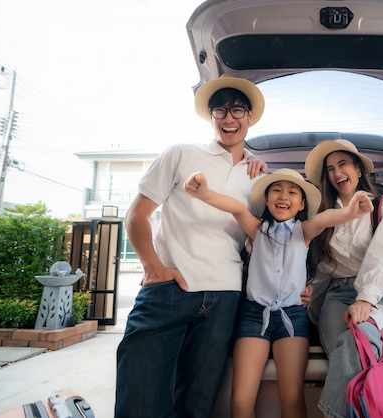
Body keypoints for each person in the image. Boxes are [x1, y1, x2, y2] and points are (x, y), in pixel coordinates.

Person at [115, 74, 269, 418]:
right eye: (220, 111)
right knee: (138, 404)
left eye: (238, 110)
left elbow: (267, 242)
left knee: (196, 408)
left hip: (225, 298)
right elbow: (136, 216)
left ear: (250, 117)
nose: (229, 118)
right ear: (211, 117)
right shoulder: (181, 153)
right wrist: (153, 268)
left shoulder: (260, 177)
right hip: (167, 289)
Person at [183, 168, 374, 418]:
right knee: (240, 400)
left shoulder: (304, 231)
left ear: (301, 203)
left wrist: (351, 212)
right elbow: (237, 208)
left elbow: (326, 219)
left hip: (292, 317)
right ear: (266, 199)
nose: (283, 196)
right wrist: (204, 193)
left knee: (292, 398)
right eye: (276, 190)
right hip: (253, 316)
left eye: (292, 192)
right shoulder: (257, 229)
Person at [304, 139, 383, 418]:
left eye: (343, 164)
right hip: (335, 295)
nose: (337, 173)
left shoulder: (381, 205)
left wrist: (365, 299)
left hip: (380, 297)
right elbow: (322, 268)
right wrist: (307, 292)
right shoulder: (325, 215)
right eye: (330, 169)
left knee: (356, 343)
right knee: (349, 352)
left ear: (358, 169)